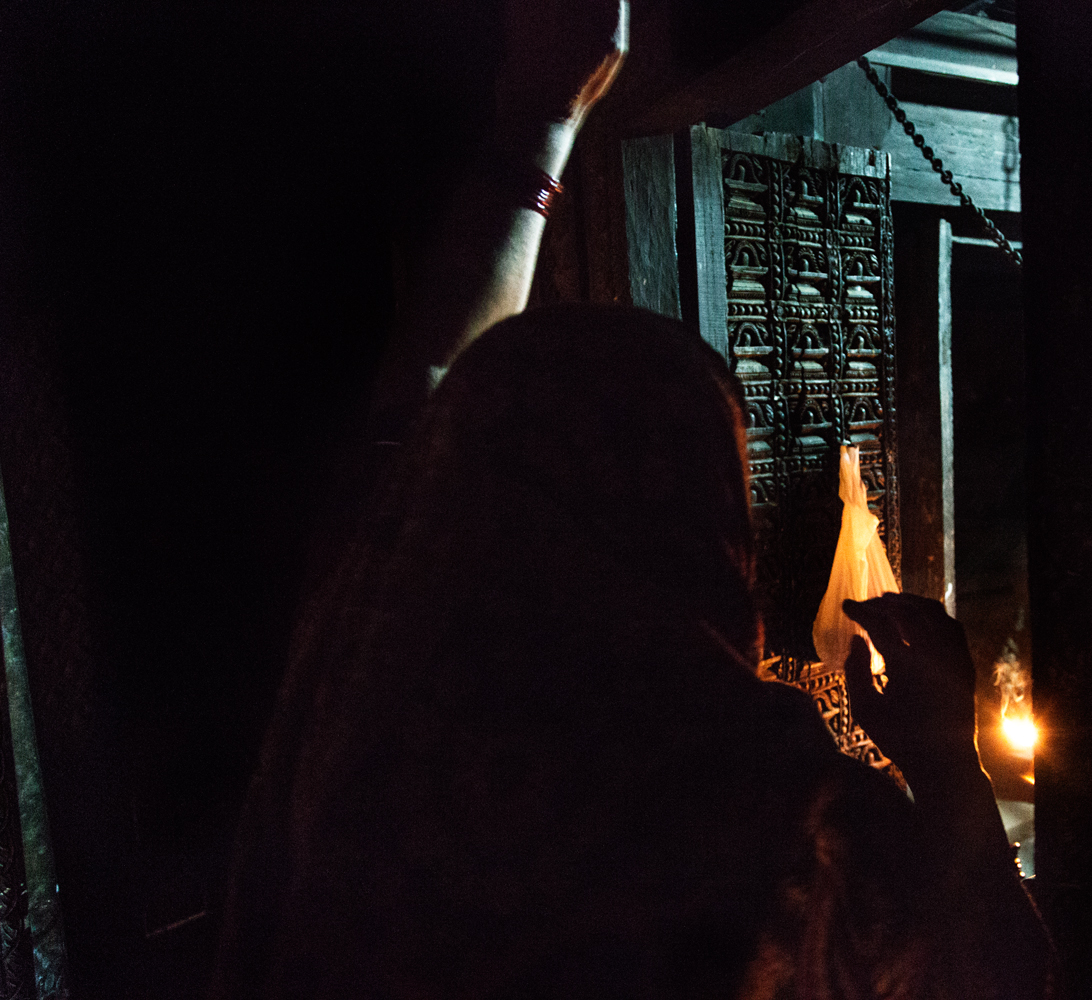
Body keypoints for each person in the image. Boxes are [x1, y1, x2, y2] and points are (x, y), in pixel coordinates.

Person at [210, 304, 1048, 999]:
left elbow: (417, 401)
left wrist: (535, 141)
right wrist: (941, 754)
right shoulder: (760, 791)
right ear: (687, 522)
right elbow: (1001, 980)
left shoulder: (352, 715)